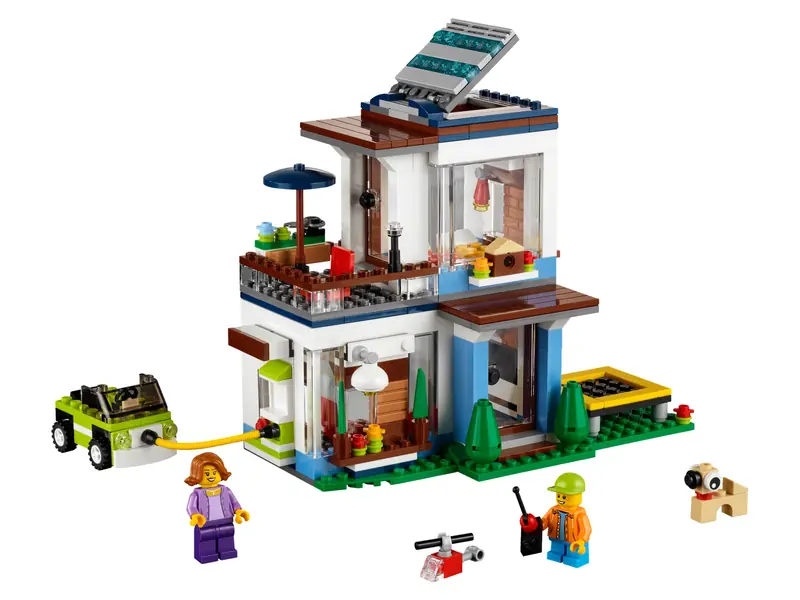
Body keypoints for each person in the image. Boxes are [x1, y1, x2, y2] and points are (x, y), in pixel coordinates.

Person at [185, 452, 250, 563]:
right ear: (197, 475)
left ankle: (227, 551)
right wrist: (195, 515)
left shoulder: (226, 490)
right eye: (206, 473)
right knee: (206, 538)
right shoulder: (196, 494)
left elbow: (234, 502)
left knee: (227, 536)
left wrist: (239, 511)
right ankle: (207, 554)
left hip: (226, 521)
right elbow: (191, 507)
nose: (211, 476)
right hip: (205, 523)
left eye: (214, 472)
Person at [540, 472, 591, 568]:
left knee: (573, 553)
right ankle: (556, 554)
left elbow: (586, 529)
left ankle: (574, 558)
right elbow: (545, 520)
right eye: (558, 495)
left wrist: (581, 540)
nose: (561, 499)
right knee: (556, 550)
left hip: (574, 542)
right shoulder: (553, 510)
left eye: (564, 497)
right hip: (556, 538)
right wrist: (538, 525)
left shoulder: (580, 514)